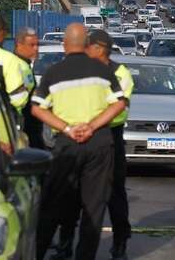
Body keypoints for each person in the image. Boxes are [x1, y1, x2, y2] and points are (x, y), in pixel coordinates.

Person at [31, 23, 125, 260]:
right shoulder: (103, 71)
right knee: (94, 208)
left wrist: (68, 128)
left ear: (64, 45)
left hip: (68, 145)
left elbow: (37, 109)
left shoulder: (54, 72)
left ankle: (38, 253)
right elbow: (119, 103)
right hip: (100, 143)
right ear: (86, 45)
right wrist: (92, 126)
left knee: (52, 204)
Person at [55, 30, 134, 260]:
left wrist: (91, 122)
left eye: (89, 47)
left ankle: (119, 244)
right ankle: (65, 244)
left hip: (109, 137)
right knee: (70, 194)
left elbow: (120, 109)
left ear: (99, 49)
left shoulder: (120, 73)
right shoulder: (83, 70)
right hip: (78, 137)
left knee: (115, 194)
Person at [14, 26, 44, 149]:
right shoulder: (17, 65)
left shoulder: (25, 64)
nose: (36, 48)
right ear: (19, 45)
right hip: (23, 126)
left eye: (37, 44)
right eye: (31, 45)